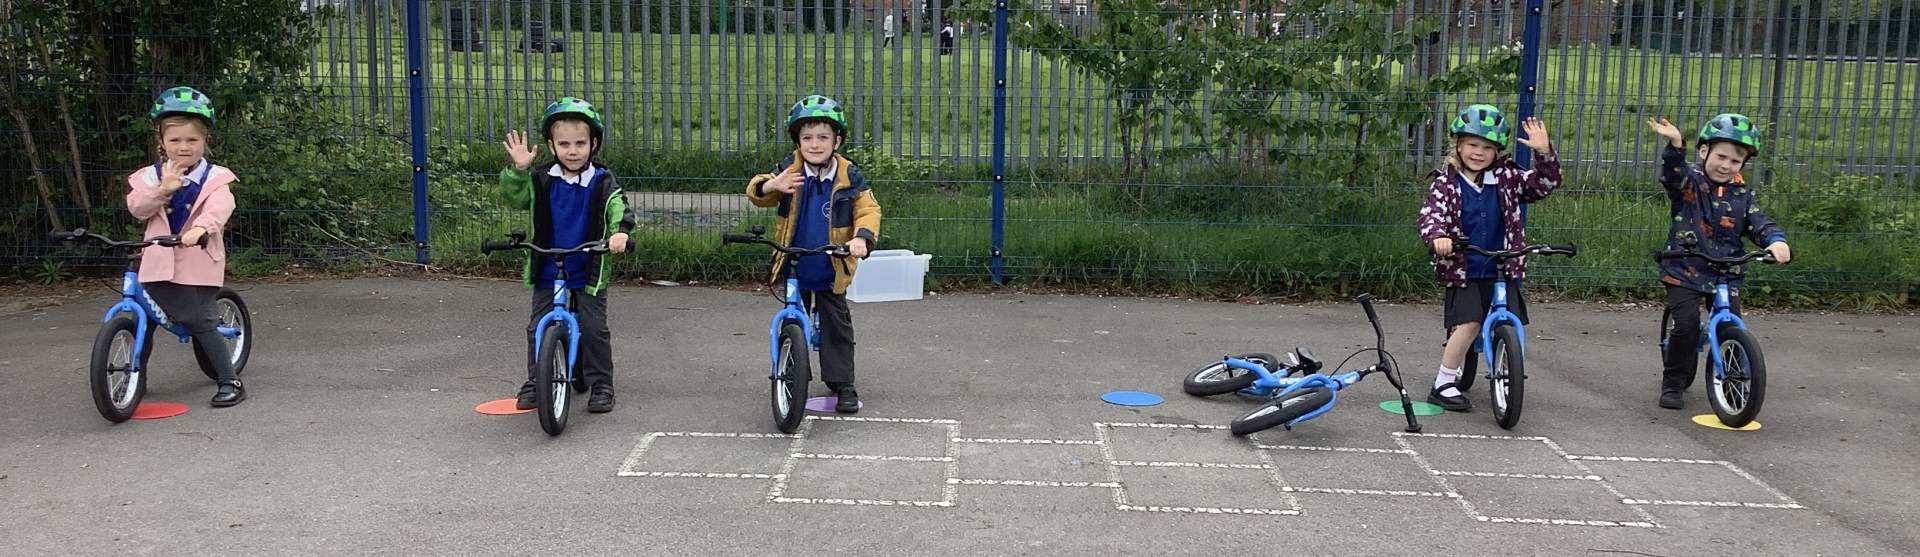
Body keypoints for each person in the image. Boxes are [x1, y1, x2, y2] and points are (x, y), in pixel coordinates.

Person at [1416, 104, 1561, 411]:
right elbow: (1431, 216)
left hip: (1502, 266)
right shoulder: (1446, 184)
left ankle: (1508, 370)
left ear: (1497, 152)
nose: (1478, 153)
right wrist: (1438, 237)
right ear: (1458, 145)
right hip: (1464, 268)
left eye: (1487, 147)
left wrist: (1544, 153)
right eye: (1472, 145)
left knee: (1510, 322)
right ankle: (1442, 383)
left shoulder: (1508, 178)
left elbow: (1544, 186)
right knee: (1469, 324)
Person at [744, 95, 883, 413]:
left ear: (837, 140)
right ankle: (793, 376)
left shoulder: (849, 175)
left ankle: (842, 384)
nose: (815, 145)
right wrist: (771, 186)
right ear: (798, 141)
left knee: (836, 326)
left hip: (832, 263)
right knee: (792, 318)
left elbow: (868, 209)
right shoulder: (789, 170)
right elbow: (757, 192)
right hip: (794, 262)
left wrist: (861, 238)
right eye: (807, 138)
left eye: (823, 137)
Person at [499, 97, 637, 413]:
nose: (572, 151)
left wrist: (620, 233)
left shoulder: (602, 180)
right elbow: (514, 198)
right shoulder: (541, 178)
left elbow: (619, 208)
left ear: (593, 144)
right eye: (564, 144)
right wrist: (519, 170)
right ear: (551, 145)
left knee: (593, 328)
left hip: (588, 264)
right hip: (547, 264)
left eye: (580, 143)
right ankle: (536, 380)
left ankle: (601, 384)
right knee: (537, 327)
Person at [1645, 114, 1792, 410]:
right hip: (1685, 268)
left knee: (1730, 326)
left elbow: (1758, 222)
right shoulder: (1690, 183)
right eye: (1721, 157)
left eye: (1735, 161)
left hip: (1727, 271)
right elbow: (1672, 174)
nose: (1726, 165)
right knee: (1686, 326)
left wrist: (1776, 241)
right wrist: (1676, 145)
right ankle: (1674, 382)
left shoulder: (1743, 195)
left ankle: (1733, 381)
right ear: (1704, 151)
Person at [125, 86, 245, 407]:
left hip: (198, 261)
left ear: (205, 140)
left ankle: (230, 379)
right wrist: (162, 191)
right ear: (161, 141)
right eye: (175, 140)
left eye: (192, 140)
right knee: (144, 320)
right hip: (157, 262)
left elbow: (220, 207)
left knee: (200, 320)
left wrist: (202, 229)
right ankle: (136, 379)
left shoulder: (215, 178)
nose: (183, 147)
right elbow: (137, 208)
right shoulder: (150, 176)